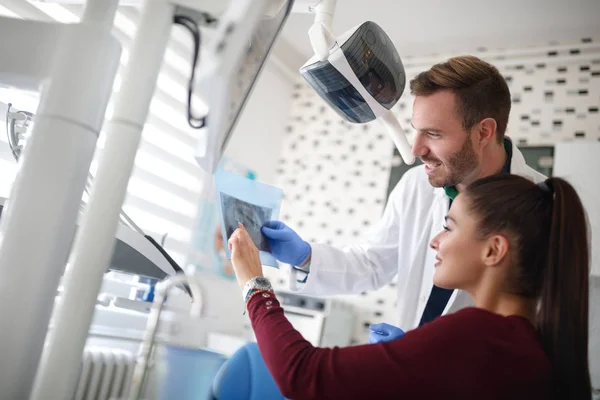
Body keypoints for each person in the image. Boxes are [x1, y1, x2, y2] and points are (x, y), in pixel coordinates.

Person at [229, 174, 592, 399]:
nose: (435, 241)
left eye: (449, 227)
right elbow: (372, 261)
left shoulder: (476, 333)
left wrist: (254, 284)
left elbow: (303, 376)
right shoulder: (528, 343)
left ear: (493, 249)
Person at [261, 55, 547, 340]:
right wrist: (305, 257)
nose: (416, 150)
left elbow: (544, 326)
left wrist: (433, 359)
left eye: (433, 134)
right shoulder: (416, 186)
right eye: (416, 131)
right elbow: (373, 263)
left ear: (484, 131)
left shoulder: (547, 207)